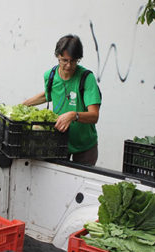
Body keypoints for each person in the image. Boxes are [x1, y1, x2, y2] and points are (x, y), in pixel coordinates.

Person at [22, 35, 101, 166]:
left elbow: (94, 115)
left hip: (84, 146)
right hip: (59, 141)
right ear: (57, 56)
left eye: (73, 61)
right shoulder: (50, 76)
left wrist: (73, 115)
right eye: (64, 60)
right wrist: (24, 105)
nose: (69, 65)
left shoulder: (86, 78)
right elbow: (49, 94)